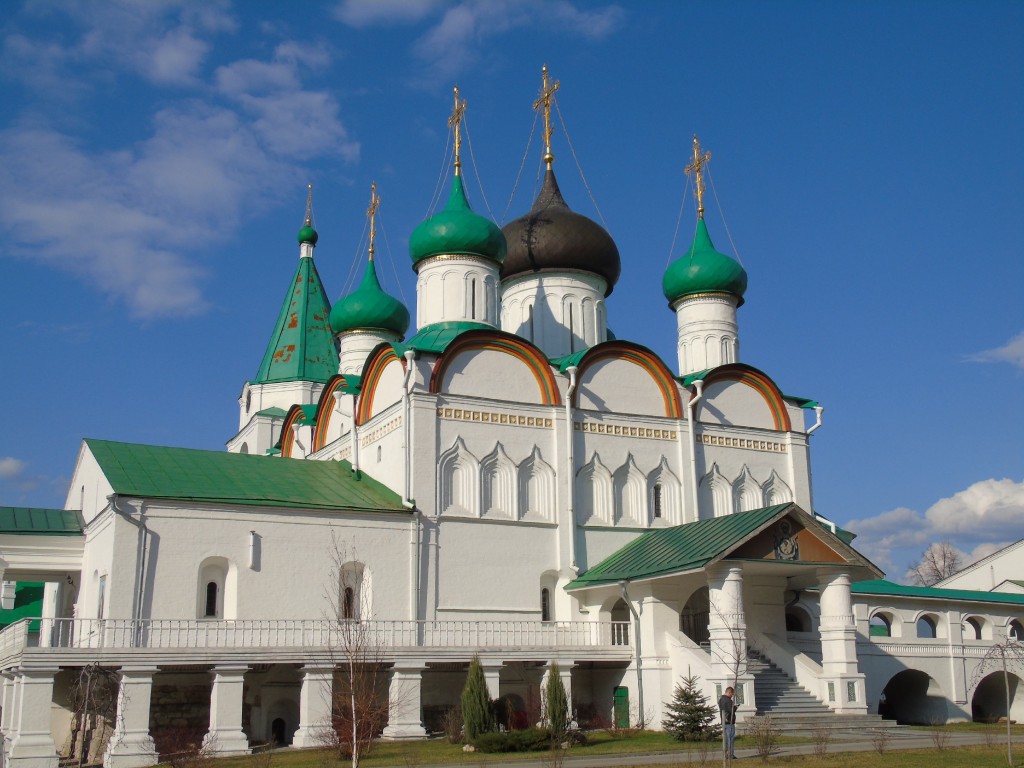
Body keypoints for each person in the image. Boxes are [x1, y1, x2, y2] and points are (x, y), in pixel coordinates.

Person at [718, 686, 738, 758]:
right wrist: (735, 707)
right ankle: (730, 754)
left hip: (724, 721)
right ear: (729, 692)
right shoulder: (728, 700)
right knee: (730, 738)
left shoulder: (721, 699)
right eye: (732, 694)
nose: (732, 696)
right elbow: (731, 710)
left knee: (726, 739)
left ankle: (725, 754)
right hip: (729, 721)